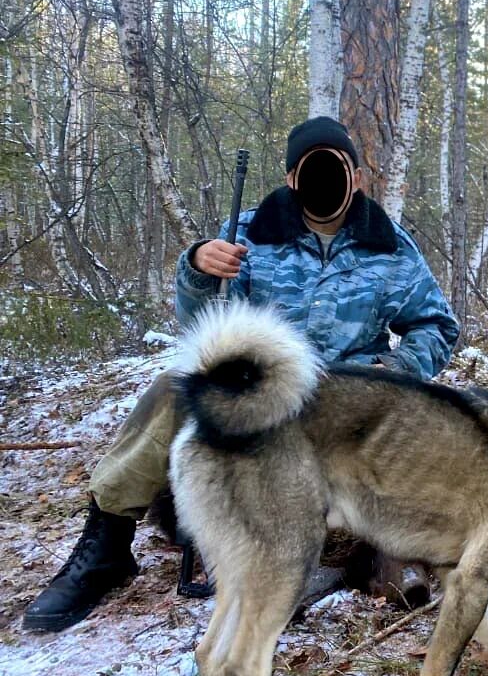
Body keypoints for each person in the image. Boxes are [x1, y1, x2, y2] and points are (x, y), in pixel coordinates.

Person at [24, 116, 460, 633]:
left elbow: (437, 325)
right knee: (175, 387)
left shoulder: (390, 247)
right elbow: (200, 325)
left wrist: (400, 369)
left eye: (336, 168)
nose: (325, 180)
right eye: (311, 169)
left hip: (351, 404)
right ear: (293, 178)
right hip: (264, 395)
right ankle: (108, 546)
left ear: (356, 178)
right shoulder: (250, 233)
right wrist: (196, 271)